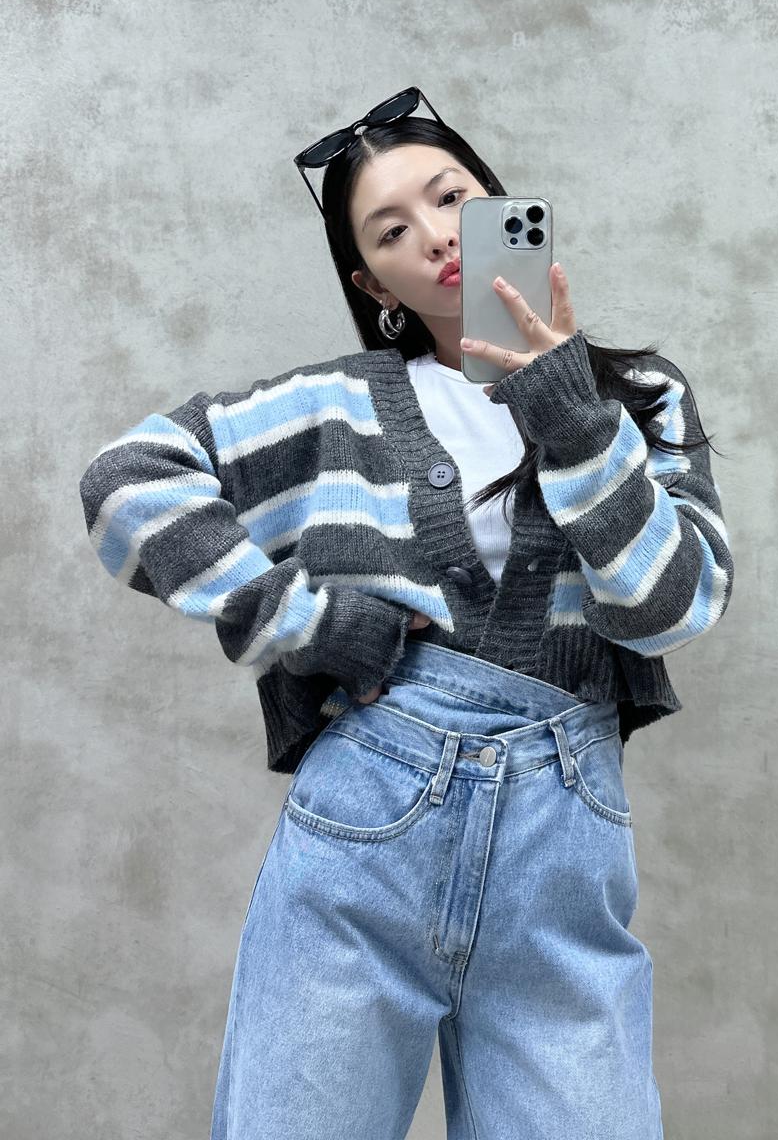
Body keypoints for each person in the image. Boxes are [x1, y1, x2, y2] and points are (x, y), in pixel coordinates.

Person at [78, 86, 735, 1140]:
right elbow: (127, 478)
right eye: (390, 231)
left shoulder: (640, 396)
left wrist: (569, 412)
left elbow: (674, 604)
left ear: (499, 203)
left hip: (562, 846)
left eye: (450, 197)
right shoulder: (336, 404)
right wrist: (302, 620)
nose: (433, 235)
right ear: (371, 282)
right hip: (365, 825)